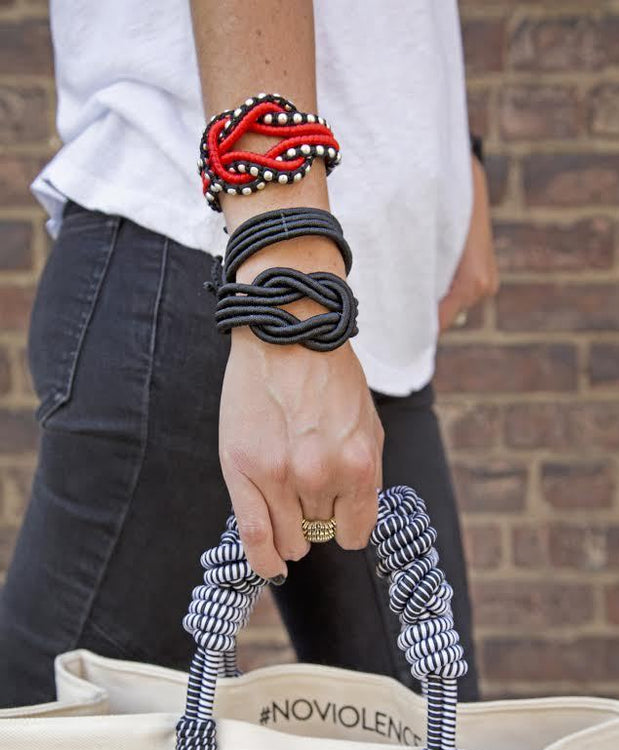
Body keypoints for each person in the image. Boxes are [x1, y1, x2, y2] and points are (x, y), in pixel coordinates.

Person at [0, 0, 498, 707]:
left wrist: (458, 157)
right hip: (220, 255)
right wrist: (285, 287)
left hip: (349, 292)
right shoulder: (278, 281)